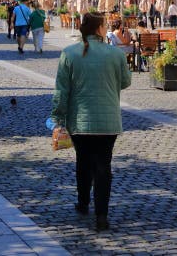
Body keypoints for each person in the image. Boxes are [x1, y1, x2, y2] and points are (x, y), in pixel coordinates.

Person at [52, 13, 132, 232]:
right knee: (103, 166)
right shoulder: (115, 54)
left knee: (83, 161)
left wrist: (58, 116)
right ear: (99, 29)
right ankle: (102, 215)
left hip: (80, 121)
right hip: (108, 121)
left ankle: (83, 202)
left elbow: (61, 90)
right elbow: (126, 82)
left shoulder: (69, 54)